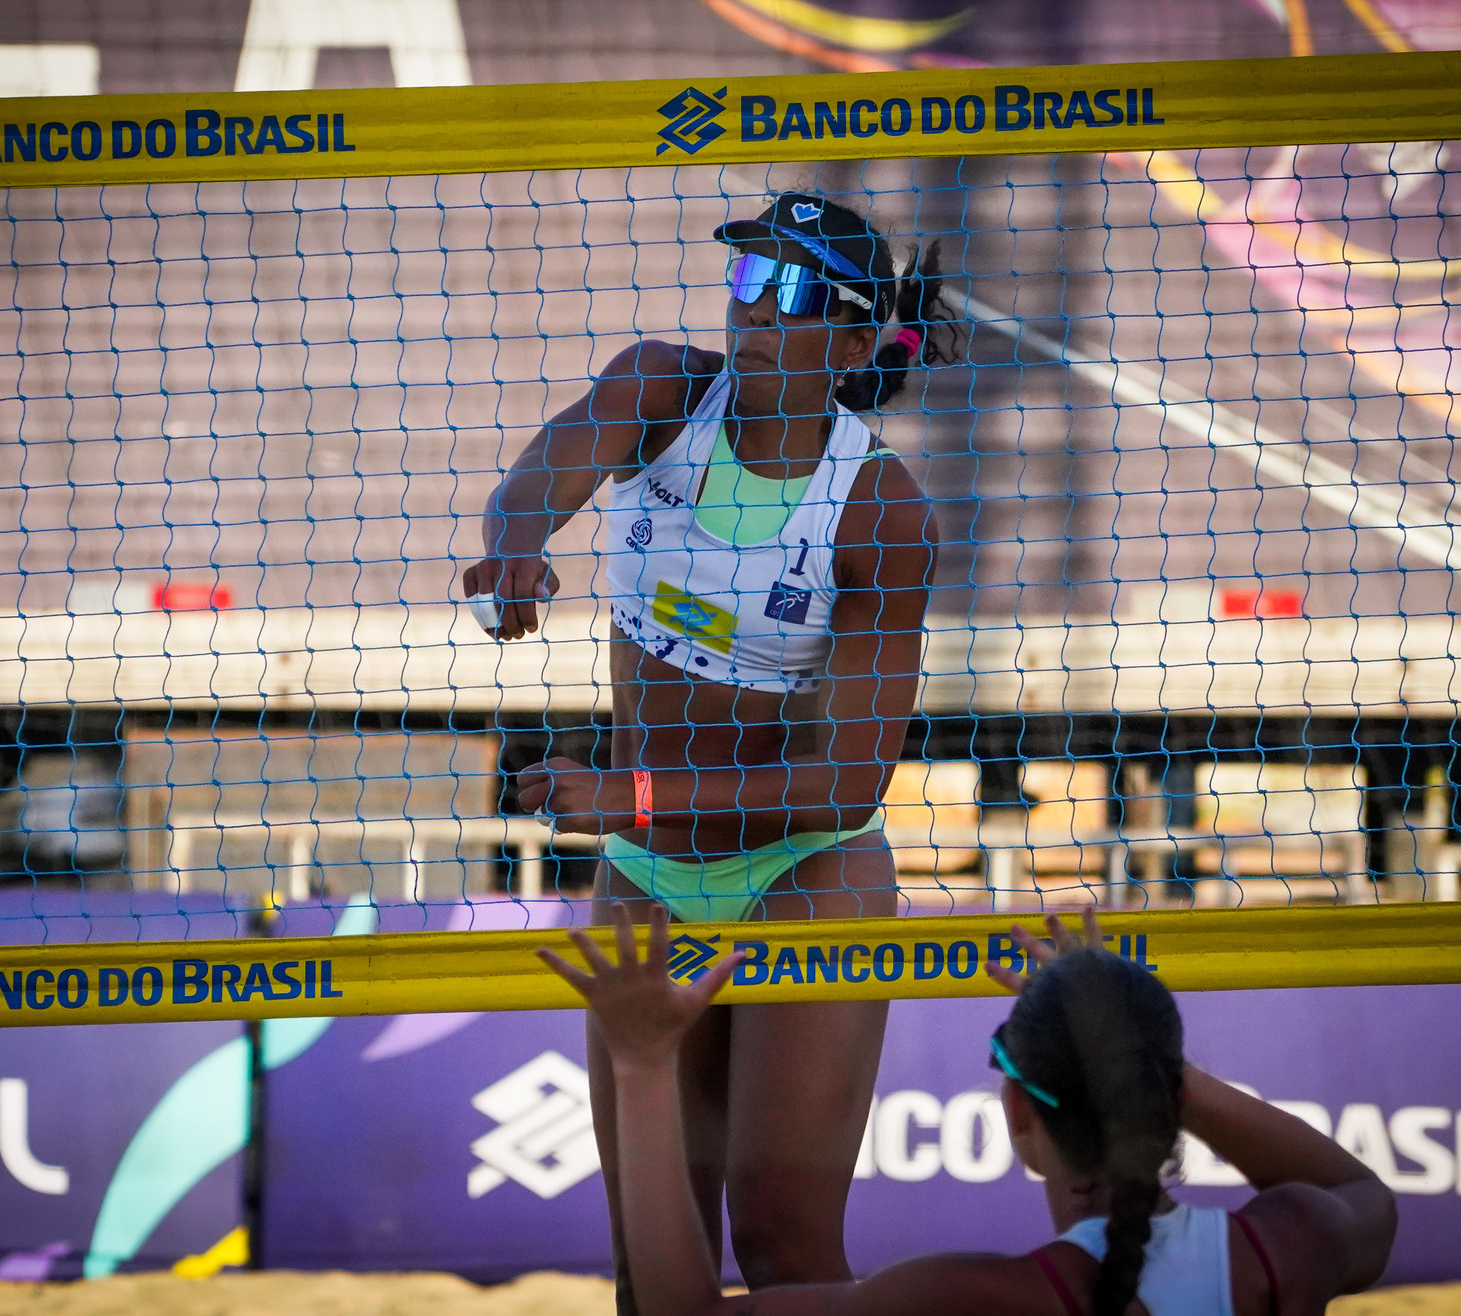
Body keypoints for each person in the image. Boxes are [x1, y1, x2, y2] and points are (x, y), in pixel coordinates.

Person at [461, 192, 949, 1308]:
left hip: (803, 873)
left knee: (784, 1247)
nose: (755, 310)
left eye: (793, 290)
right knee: (652, 1256)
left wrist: (627, 795)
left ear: (852, 341)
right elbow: (532, 481)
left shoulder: (878, 510)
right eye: (746, 278)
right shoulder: (661, 390)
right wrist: (516, 547)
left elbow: (842, 787)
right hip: (648, 868)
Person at [541, 906, 1398, 1316]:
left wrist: (642, 1062)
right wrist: (1140, 1056)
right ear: (1170, 1096)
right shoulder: (1287, 1249)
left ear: (1017, 1111)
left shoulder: (973, 1297)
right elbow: (1363, 1193)